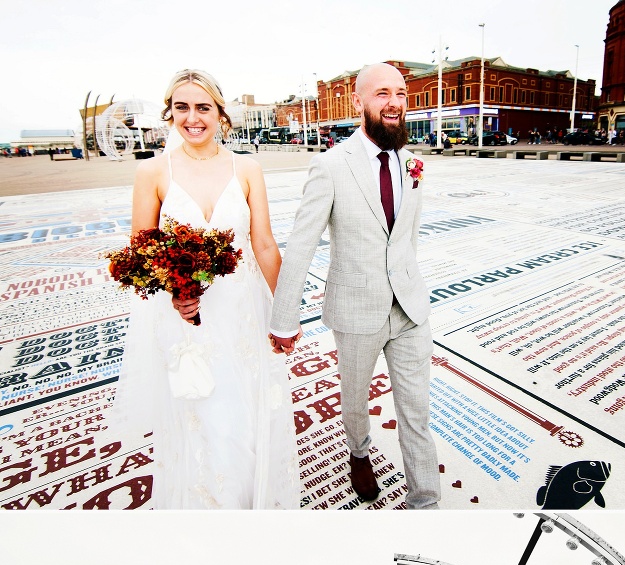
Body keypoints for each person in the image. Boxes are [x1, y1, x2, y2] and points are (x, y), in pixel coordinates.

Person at [114, 68, 299, 509]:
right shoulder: (153, 172)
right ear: (169, 113)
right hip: (186, 318)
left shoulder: (248, 168)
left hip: (245, 312)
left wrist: (286, 311)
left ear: (220, 113)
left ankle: (254, 505)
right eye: (182, 107)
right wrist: (176, 292)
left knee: (248, 413)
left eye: (203, 107)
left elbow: (265, 243)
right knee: (206, 415)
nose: (192, 117)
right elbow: (142, 250)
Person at [269, 62, 440, 510]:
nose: (395, 102)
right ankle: (359, 452)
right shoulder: (329, 166)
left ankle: (427, 504)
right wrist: (284, 320)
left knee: (417, 413)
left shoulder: (413, 164)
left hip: (409, 311)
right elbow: (302, 245)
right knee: (355, 399)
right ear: (359, 101)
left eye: (400, 93)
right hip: (357, 309)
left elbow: (407, 236)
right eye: (382, 93)